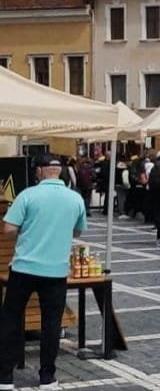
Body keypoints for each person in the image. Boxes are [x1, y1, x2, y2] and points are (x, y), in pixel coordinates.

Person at [0, 155, 87, 390]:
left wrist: (30, 229)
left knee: (10, 320)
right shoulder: (75, 198)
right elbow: (78, 231)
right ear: (58, 171)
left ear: (40, 171)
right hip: (56, 270)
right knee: (51, 325)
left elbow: (8, 228)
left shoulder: (27, 195)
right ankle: (47, 377)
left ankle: (5, 377)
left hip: (24, 268)